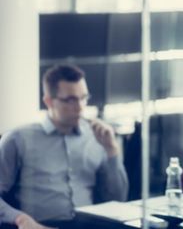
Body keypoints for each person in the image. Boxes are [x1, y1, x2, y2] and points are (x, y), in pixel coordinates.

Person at [0, 64, 128, 229]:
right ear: (48, 101)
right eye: (70, 100)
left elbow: (118, 200)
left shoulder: (98, 137)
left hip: (91, 224)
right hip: (42, 225)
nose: (80, 107)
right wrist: (21, 219)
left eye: (83, 98)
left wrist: (112, 150)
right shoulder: (18, 139)